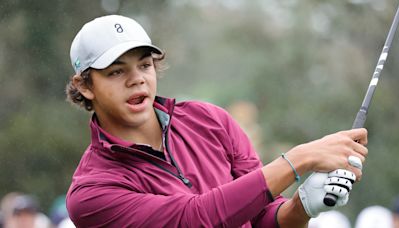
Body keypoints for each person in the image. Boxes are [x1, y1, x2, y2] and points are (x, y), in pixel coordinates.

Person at [65, 15, 368, 227]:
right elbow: (195, 220)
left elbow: (261, 218)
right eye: (116, 71)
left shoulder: (209, 121)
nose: (137, 80)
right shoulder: (92, 193)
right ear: (85, 86)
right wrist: (299, 160)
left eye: (144, 65)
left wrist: (302, 207)